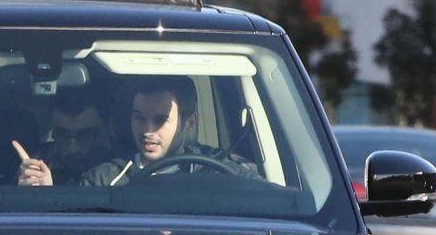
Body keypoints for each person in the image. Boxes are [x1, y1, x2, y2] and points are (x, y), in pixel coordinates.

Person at [15, 75, 258, 187]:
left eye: (160, 120)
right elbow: (74, 230)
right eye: (139, 118)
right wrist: (45, 195)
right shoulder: (104, 178)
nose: (147, 131)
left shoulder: (218, 170)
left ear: (189, 122)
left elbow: (271, 199)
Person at [13, 89, 113, 186]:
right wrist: (35, 192)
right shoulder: (36, 165)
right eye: (63, 135)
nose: (73, 149)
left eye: (84, 136)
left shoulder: (120, 171)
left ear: (105, 130)